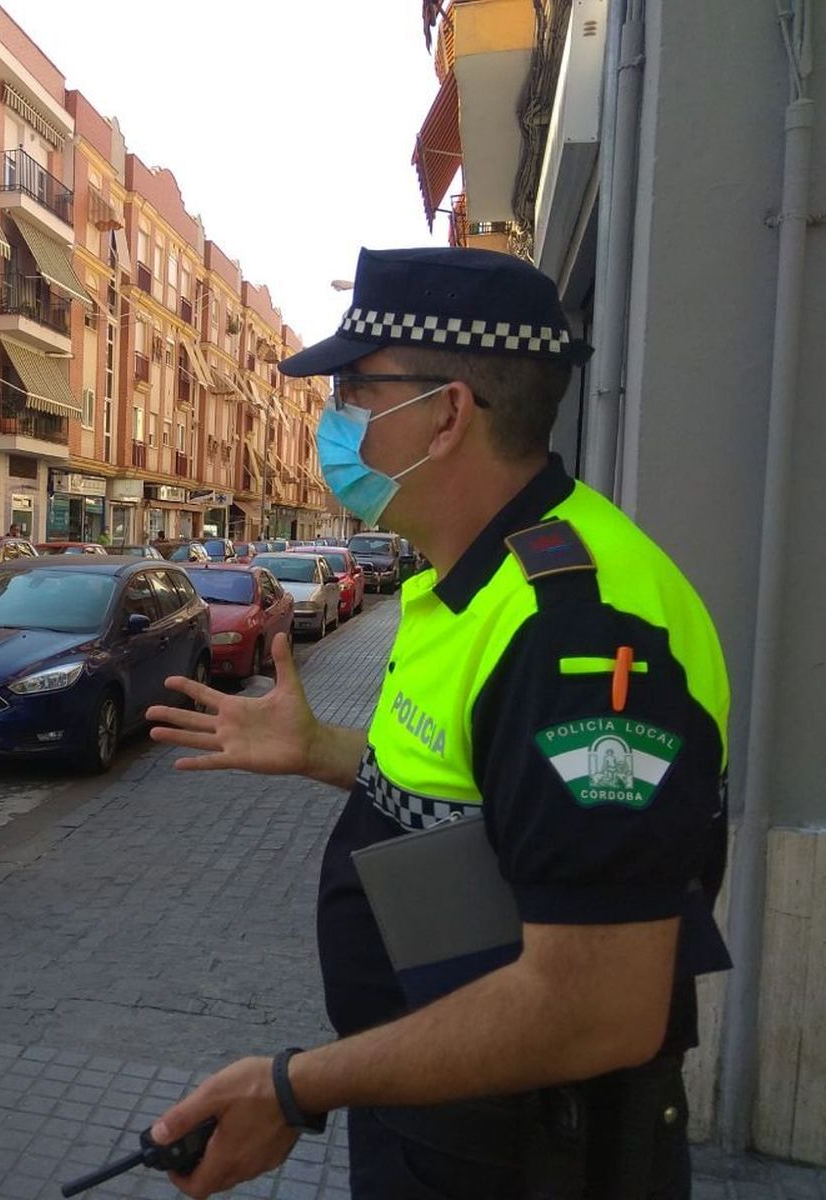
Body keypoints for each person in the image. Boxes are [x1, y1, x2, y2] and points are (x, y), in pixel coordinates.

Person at [145, 247, 730, 1199]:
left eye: (355, 390)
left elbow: (595, 1007)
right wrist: (324, 754)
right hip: (445, 1104)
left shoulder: (577, 635)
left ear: (448, 413)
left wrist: (295, 1091)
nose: (334, 420)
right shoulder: (470, 584)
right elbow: (486, 802)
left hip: (530, 1153)